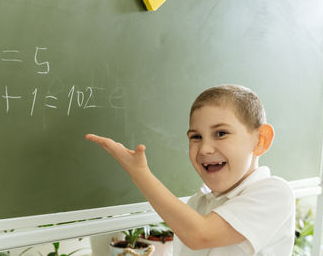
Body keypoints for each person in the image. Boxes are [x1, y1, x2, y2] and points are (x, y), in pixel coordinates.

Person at [85, 84, 295, 256]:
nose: (204, 149)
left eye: (221, 133)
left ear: (260, 140)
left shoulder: (274, 193)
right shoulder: (198, 203)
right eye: (196, 137)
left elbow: (200, 235)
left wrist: (140, 173)